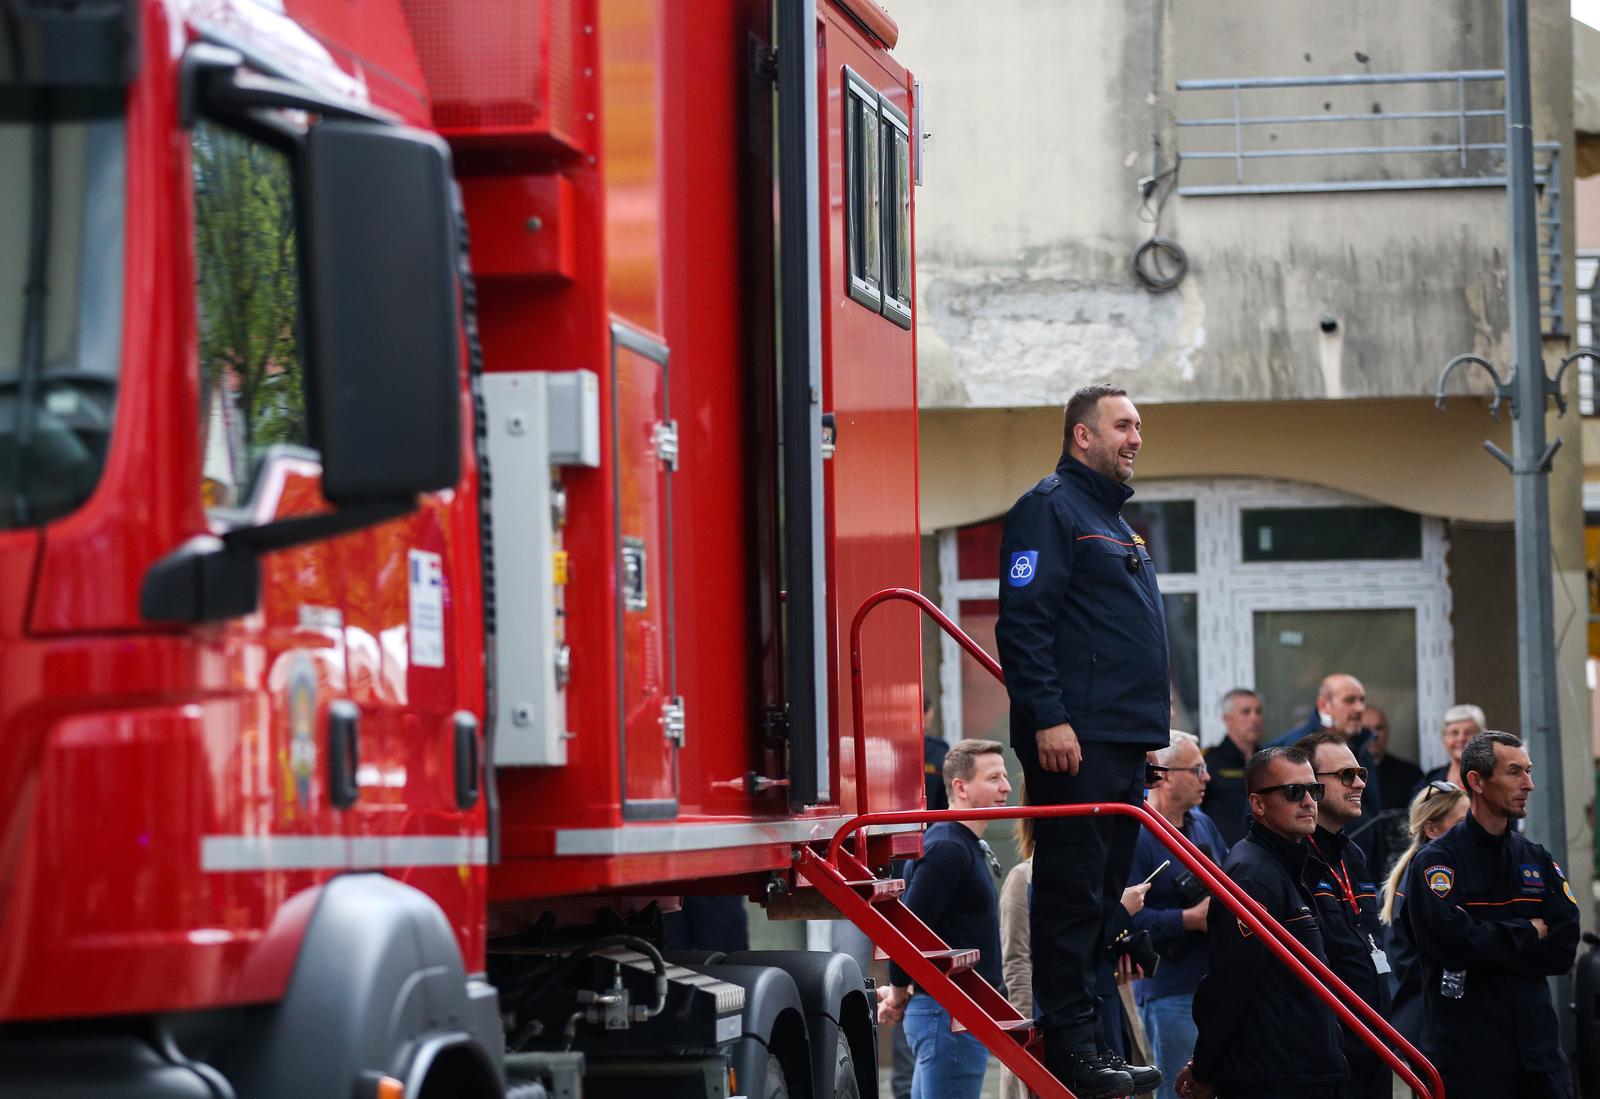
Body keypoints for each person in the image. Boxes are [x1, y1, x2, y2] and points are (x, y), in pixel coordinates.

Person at [995, 382, 1168, 1098]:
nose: (1134, 438)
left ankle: (1096, 1041)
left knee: (1102, 902)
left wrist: (1144, 740)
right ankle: (1071, 1046)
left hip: (1121, 743)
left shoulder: (1114, 521)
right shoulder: (1050, 507)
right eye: (1122, 425)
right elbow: (1023, 623)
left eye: (1138, 427)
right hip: (1078, 740)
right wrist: (1048, 717)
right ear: (1082, 436)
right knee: (1070, 898)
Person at [1401, 732, 1579, 1098]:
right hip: (1468, 1060)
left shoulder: (1535, 858)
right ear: (1476, 782)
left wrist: (1487, 941)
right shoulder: (1438, 861)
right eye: (1514, 772)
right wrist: (1527, 934)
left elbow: (1563, 946)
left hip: (1539, 1056)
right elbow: (1453, 945)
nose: (1528, 784)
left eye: (1528, 771)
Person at [1176, 747, 1347, 1099]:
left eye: (1313, 790)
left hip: (1304, 1069)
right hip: (1275, 1076)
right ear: (1258, 804)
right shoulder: (1253, 874)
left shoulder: (1289, 860)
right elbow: (1229, 983)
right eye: (1292, 792)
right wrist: (1207, 1068)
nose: (1308, 802)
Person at [877, 740, 1012, 1099]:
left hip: (949, 1012)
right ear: (960, 787)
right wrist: (897, 989)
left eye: (1005, 776)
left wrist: (900, 991)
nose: (1006, 787)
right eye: (994, 777)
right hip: (948, 1013)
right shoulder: (948, 848)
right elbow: (908, 929)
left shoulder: (954, 843)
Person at [1000, 806, 1156, 1099]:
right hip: (1062, 1012)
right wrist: (1025, 1043)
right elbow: (1019, 962)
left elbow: (1091, 944)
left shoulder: (1096, 876)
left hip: (1105, 1004)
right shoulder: (1025, 878)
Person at [1127, 731, 1230, 1099]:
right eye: (1197, 769)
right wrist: (1189, 918)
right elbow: (1124, 920)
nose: (1207, 777)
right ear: (1165, 775)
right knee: (1179, 1092)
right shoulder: (1135, 833)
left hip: (1213, 983)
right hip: (1168, 990)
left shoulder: (1200, 823)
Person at [1294, 731, 1391, 1099]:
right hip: (1328, 1057)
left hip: (1375, 1046)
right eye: (1347, 775)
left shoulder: (1353, 854)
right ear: (1311, 787)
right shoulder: (1295, 858)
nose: (1360, 783)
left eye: (1361, 772)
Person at [1378, 780, 1469, 1048]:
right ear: (1432, 829)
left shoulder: (1417, 870)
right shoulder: (1431, 878)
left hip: (1420, 1020)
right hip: (1433, 1025)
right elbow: (1456, 947)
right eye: (1462, 823)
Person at [1201, 688, 1263, 847]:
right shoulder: (1210, 760)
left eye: (1258, 711)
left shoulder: (1269, 760)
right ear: (1227, 719)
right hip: (1224, 853)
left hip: (1266, 850)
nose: (1254, 718)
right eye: (1246, 712)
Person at [1363, 704, 1422, 812]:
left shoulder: (1410, 775)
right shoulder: (1346, 774)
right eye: (1366, 729)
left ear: (1387, 731)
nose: (1374, 735)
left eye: (1379, 728)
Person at [1414, 703, 1483, 794]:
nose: (1461, 738)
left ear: (1482, 737)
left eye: (1469, 732)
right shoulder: (1430, 780)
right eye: (1454, 733)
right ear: (1443, 738)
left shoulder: (1493, 777)